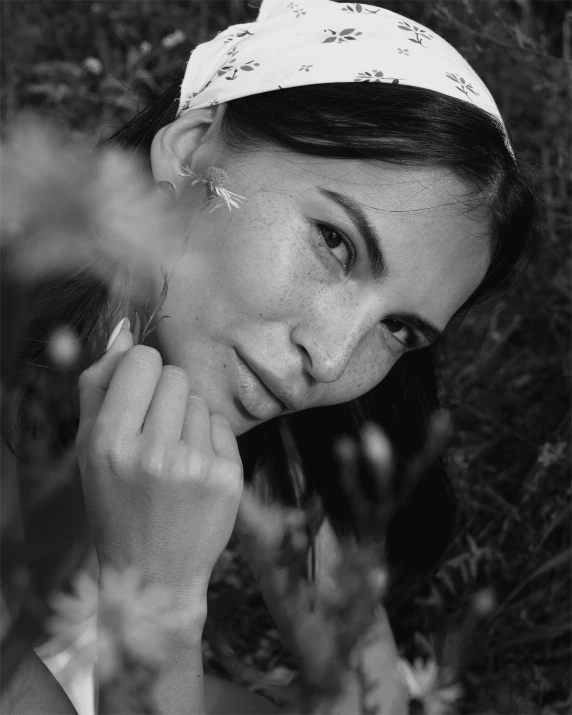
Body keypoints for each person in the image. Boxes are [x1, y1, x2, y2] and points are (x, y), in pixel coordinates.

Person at [1, 0, 539, 713]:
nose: (330, 357)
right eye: (336, 242)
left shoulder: (258, 421)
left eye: (400, 329)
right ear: (191, 149)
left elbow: (365, 690)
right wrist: (160, 595)